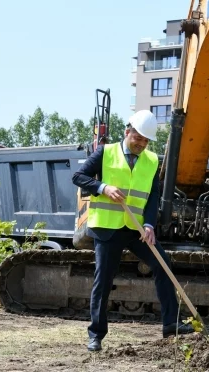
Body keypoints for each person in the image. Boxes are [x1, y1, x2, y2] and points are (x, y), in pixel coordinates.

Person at [72, 110, 194, 352]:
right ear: (128, 132)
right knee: (103, 280)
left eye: (146, 141)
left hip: (137, 228)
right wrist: (103, 187)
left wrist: (149, 224)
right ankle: (96, 334)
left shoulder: (151, 160)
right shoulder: (105, 152)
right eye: (138, 138)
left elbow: (152, 197)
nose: (141, 144)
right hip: (107, 228)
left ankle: (171, 323)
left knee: (163, 265)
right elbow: (78, 176)